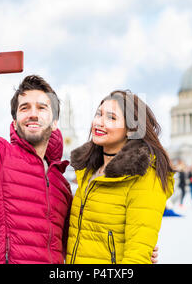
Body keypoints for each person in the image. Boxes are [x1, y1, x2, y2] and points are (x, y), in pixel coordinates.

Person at [0, 49, 73, 263]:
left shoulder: (62, 185)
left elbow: (76, 245)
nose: (33, 113)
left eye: (42, 107)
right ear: (15, 122)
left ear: (55, 123)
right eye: (24, 108)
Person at [66, 90, 175, 264]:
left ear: (131, 129)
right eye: (98, 114)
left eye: (111, 118)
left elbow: (136, 258)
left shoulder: (145, 177)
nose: (99, 122)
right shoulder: (88, 172)